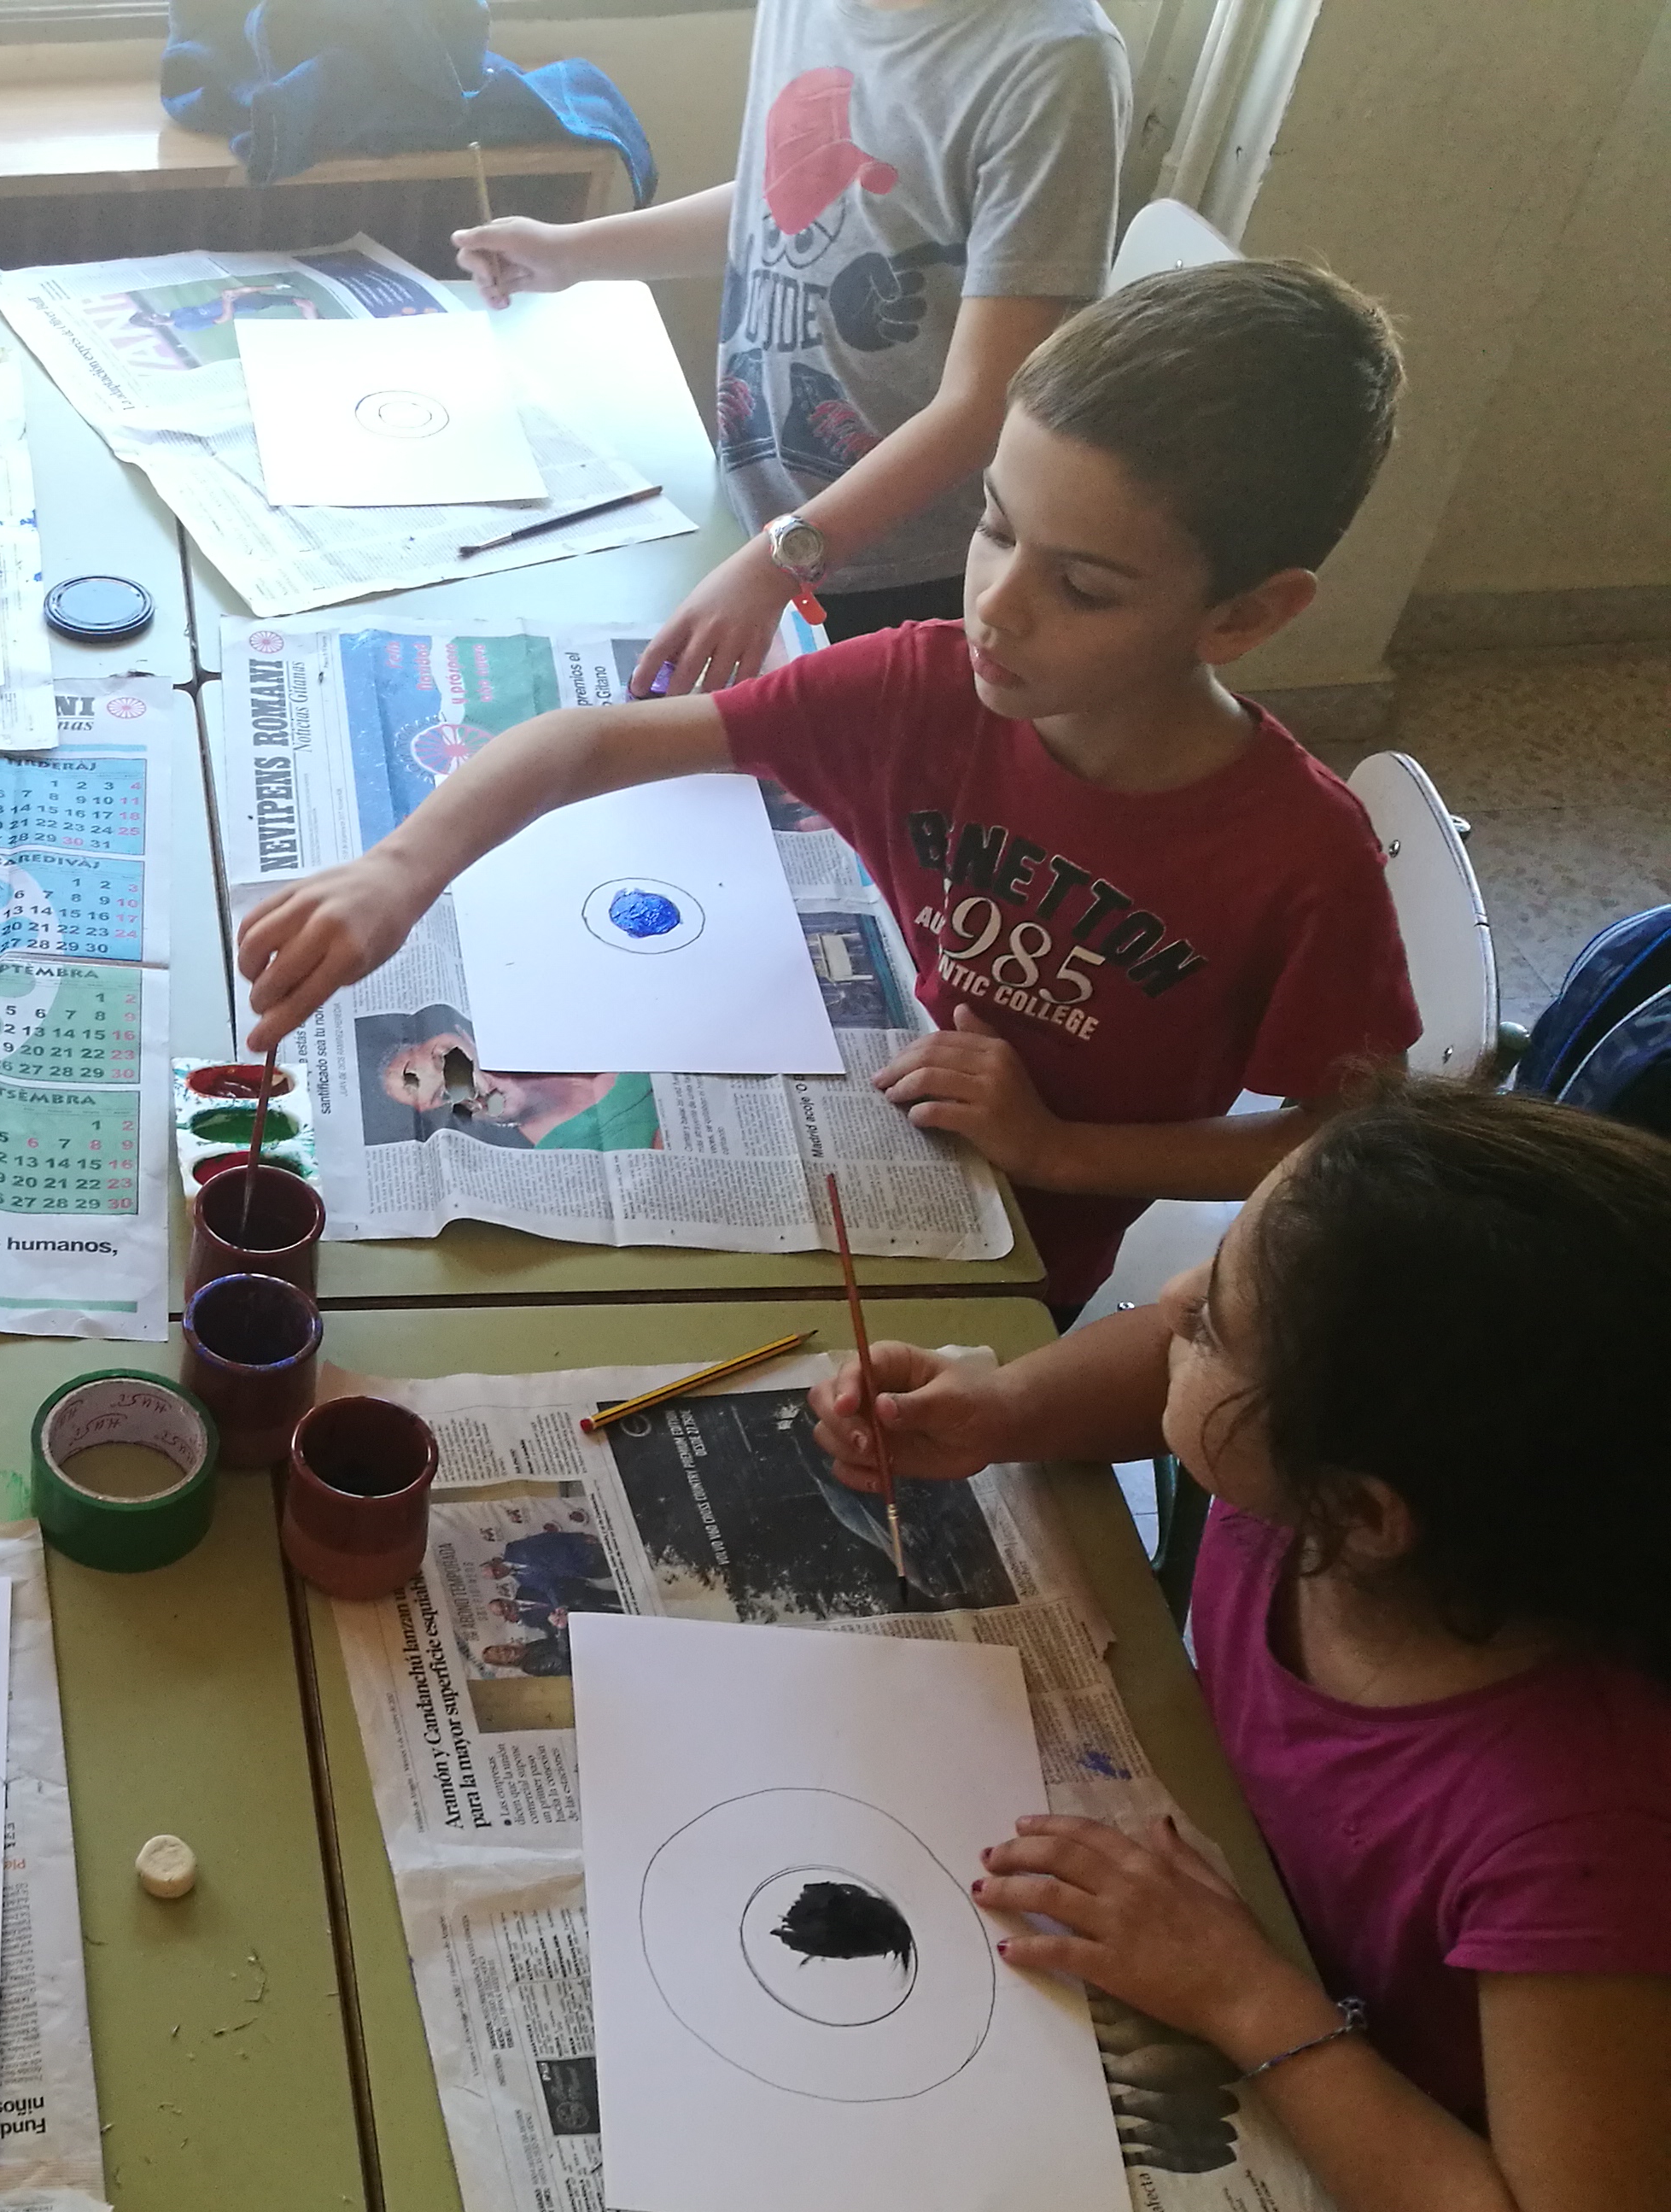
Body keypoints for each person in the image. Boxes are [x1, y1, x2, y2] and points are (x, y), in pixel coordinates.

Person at [236, 260, 1419, 1316]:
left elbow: (1346, 1138)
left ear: (1245, 616)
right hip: (841, 1183)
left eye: (1084, 588)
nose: (995, 606)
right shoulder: (921, 686)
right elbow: (587, 744)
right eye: (994, 528)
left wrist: (1058, 1149)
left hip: (1006, 1281)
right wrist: (400, 868)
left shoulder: (1301, 861)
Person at [806, 1079, 1671, 2212]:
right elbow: (1155, 1367)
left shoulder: (1580, 1831)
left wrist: (1251, 2001)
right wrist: (1007, 1409)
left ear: (1358, 1514)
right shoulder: (1376, 1498)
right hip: (1239, 1897)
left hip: (1385, 2113)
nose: (1169, 1302)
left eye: (1213, 1322)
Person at [456, 0, 1127, 689]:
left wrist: (781, 561)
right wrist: (573, 252)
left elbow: (984, 404)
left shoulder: (1057, 62)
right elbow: (784, 199)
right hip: (762, 514)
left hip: (894, 567)